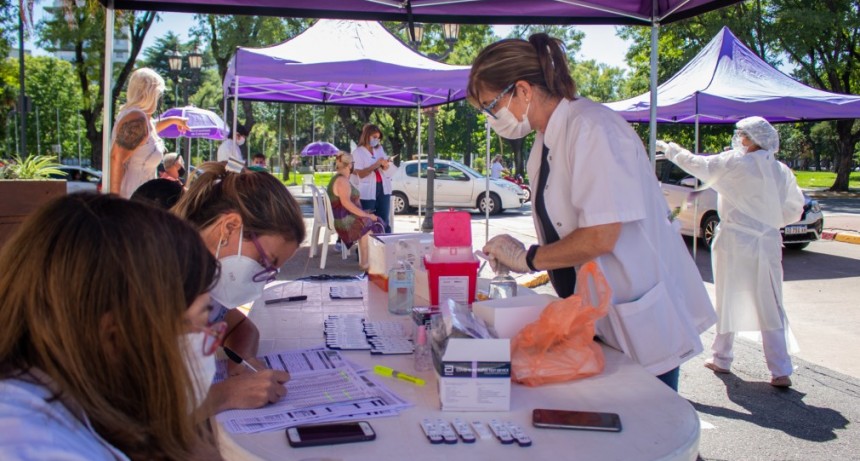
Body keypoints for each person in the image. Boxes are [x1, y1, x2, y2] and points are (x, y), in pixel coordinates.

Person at [469, 33, 716, 391]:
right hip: (593, 317)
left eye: (491, 106)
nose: (491, 118)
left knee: (647, 425)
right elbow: (560, 225)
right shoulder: (545, 140)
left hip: (634, 314)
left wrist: (529, 259)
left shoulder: (593, 128)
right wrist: (516, 250)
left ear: (522, 90)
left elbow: (601, 235)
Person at [0, 193, 222, 460]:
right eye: (199, 322)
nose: (206, 341)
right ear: (117, 334)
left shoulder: (59, 394)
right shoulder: (33, 445)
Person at [657, 117, 805, 388]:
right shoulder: (781, 170)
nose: (738, 137)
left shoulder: (734, 162)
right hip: (768, 242)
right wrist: (768, 222)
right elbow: (795, 209)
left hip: (736, 240)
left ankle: (722, 357)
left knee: (728, 297)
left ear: (751, 138)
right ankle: (780, 368)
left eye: (741, 133)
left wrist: (670, 150)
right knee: (771, 303)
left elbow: (698, 165)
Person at [171, 161, 305, 414]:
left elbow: (240, 327)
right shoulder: (156, 279)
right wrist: (224, 395)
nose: (264, 278)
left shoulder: (211, 279)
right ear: (230, 227)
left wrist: (241, 361)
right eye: (265, 262)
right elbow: (131, 407)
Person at [109, 68, 189, 198]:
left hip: (139, 196)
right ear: (150, 93)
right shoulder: (136, 118)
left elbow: (147, 134)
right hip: (131, 197)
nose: (159, 100)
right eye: (159, 95)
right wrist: (115, 201)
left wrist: (173, 120)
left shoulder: (139, 118)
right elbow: (116, 158)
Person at [327, 152, 385, 271]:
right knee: (371, 225)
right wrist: (366, 215)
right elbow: (346, 204)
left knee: (375, 219)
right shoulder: (342, 181)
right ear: (349, 165)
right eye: (353, 163)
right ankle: (365, 263)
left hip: (345, 216)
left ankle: (371, 261)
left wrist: (366, 214)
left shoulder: (340, 179)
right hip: (344, 220)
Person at [351, 123, 393, 233]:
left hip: (383, 187)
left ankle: (384, 244)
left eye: (378, 138)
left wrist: (385, 165)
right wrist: (375, 165)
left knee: (383, 218)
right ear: (367, 136)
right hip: (368, 189)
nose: (376, 140)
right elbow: (360, 174)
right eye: (374, 137)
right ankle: (367, 247)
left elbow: (384, 168)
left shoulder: (379, 149)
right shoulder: (358, 152)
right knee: (367, 219)